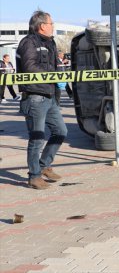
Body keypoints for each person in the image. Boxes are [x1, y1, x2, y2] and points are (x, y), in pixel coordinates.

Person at [16, 10, 68, 190]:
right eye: (51, 23)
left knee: (61, 131)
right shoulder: (28, 42)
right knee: (36, 139)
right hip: (35, 97)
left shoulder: (50, 42)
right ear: (42, 26)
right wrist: (54, 75)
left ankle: (44, 164)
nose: (53, 26)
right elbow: (30, 67)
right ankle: (34, 176)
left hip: (50, 95)